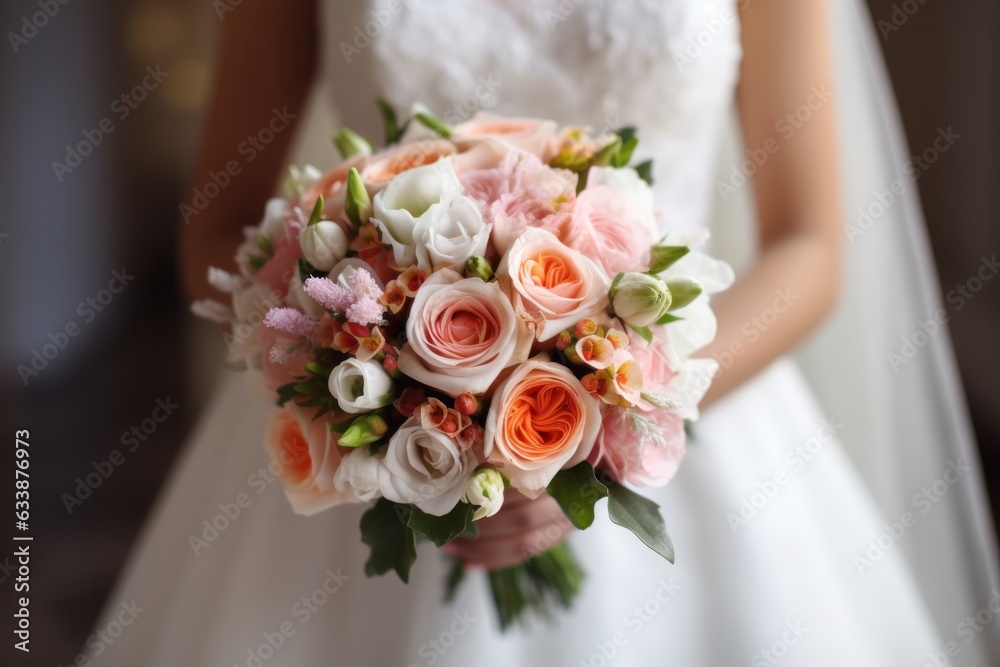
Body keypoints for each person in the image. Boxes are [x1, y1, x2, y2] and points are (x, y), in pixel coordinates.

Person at [91, 0, 1000, 664]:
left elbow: (811, 250)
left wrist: (598, 419)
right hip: (370, 439)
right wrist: (394, 396)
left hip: (685, 397)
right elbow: (215, 232)